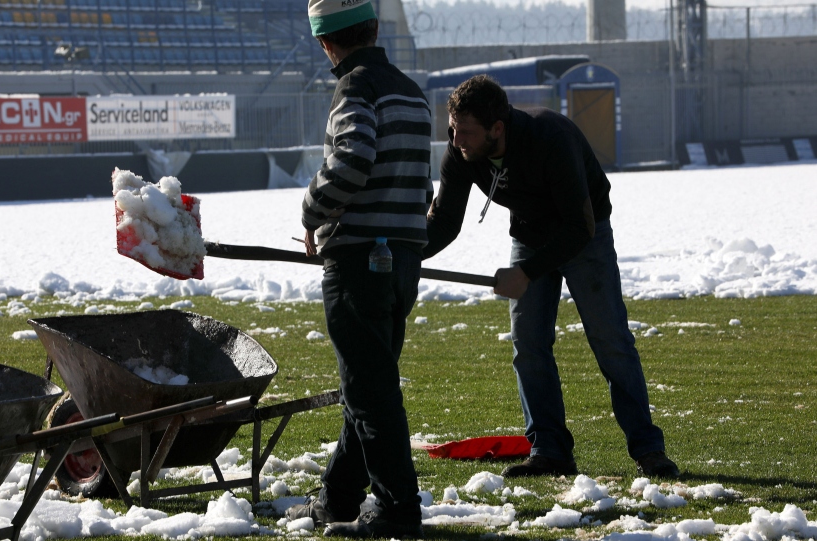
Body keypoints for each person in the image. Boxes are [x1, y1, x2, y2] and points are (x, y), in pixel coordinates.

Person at [424, 74, 680, 479]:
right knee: (528, 343)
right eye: (453, 130)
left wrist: (524, 273)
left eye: (466, 133)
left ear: (497, 128)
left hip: (584, 232)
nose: (456, 142)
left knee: (610, 339)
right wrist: (404, 254)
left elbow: (580, 229)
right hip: (528, 232)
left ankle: (649, 450)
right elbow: (444, 224)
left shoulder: (550, 137)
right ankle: (549, 450)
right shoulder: (462, 152)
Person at [284, 0, 432, 537]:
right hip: (403, 258)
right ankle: (339, 498)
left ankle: (396, 509)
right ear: (373, 27)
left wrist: (311, 213)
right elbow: (422, 184)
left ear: (327, 42)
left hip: (359, 260)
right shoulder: (411, 92)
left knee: (370, 390)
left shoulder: (355, 89)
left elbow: (352, 159)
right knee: (366, 384)